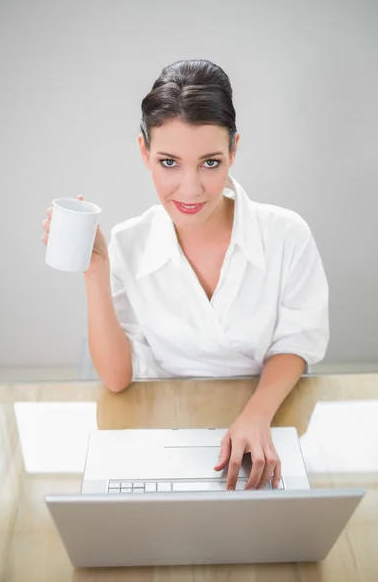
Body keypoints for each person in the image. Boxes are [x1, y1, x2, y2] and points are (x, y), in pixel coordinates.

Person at [42, 59, 329, 491]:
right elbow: (118, 378)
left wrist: (255, 414)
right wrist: (95, 271)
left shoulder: (287, 234)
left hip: (268, 416)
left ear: (234, 150)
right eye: (169, 162)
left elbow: (297, 341)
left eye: (210, 163)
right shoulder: (129, 243)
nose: (191, 189)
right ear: (144, 153)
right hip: (164, 426)